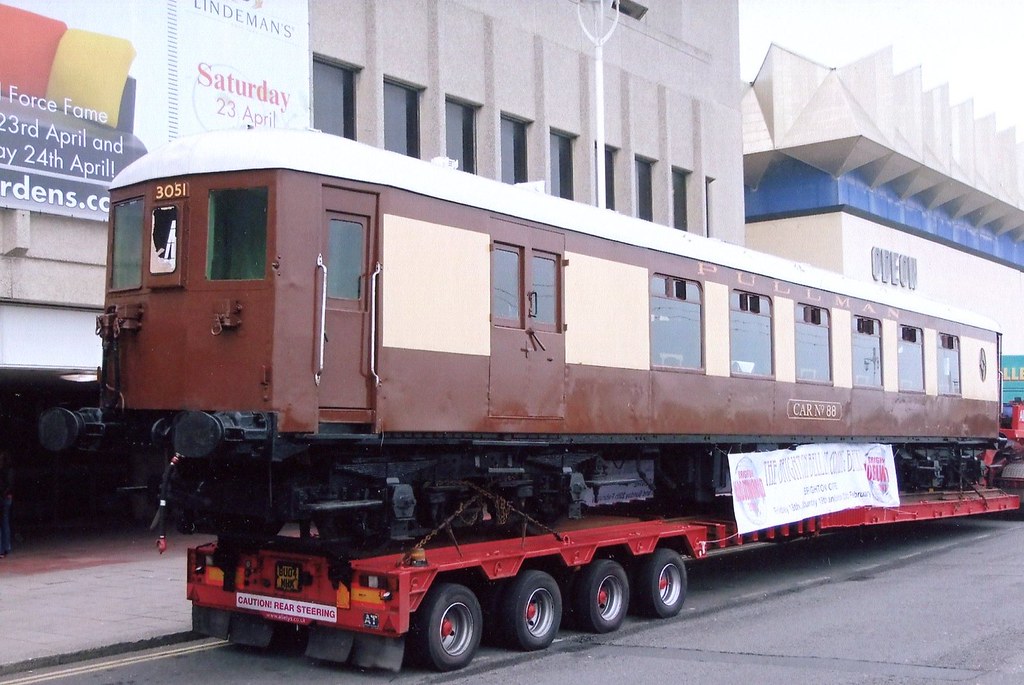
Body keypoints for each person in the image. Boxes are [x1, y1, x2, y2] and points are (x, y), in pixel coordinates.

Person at [0, 450, 12, 558]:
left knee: (3, 523)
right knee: (5, 522)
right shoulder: (9, 470)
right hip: (6, 497)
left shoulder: (4, 471)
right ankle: (6, 547)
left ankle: (1, 549)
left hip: (3, 497)